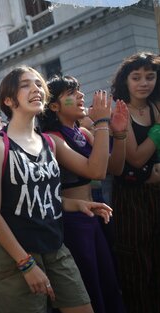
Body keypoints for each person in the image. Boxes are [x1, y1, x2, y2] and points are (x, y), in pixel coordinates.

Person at [0, 66, 113, 313]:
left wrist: (78, 204)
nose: (36, 89)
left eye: (39, 84)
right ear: (8, 100)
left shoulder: (50, 143)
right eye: (25, 85)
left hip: (55, 246)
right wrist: (26, 264)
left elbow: (50, 195)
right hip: (14, 256)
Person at [39, 75, 127, 313]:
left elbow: (114, 169)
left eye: (79, 90)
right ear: (54, 105)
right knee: (90, 285)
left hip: (96, 214)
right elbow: (96, 171)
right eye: (71, 93)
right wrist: (101, 123)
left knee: (109, 281)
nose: (80, 96)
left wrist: (118, 134)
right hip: (74, 222)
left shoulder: (83, 133)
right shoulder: (53, 138)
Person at [110, 51, 160, 313]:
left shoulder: (155, 107)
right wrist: (158, 131)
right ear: (125, 81)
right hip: (131, 199)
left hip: (156, 194)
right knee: (136, 264)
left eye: (150, 77)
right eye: (137, 77)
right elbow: (136, 158)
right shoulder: (121, 111)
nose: (144, 83)